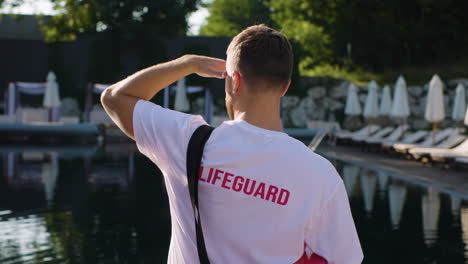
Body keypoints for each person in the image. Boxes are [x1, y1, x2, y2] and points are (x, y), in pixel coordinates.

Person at [101, 24, 363, 264]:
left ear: (233, 81)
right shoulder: (320, 174)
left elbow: (114, 98)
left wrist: (187, 63)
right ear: (285, 88)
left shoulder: (188, 141)